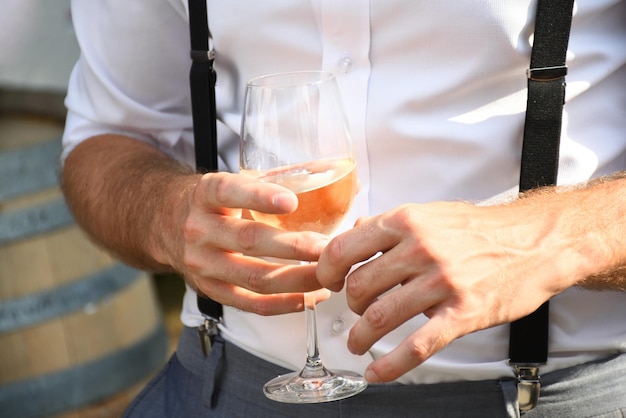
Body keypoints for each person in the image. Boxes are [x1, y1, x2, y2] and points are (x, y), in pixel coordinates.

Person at [60, 0, 626, 417]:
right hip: (224, 388)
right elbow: (110, 135)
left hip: (545, 399)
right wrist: (163, 214)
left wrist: (548, 237)